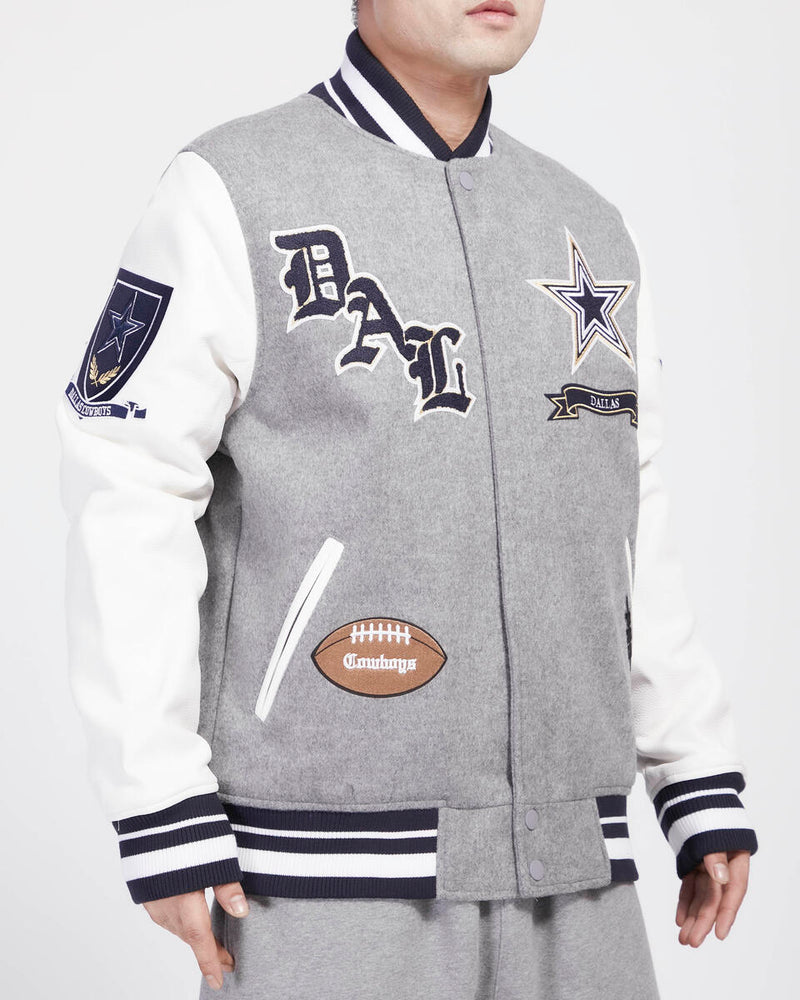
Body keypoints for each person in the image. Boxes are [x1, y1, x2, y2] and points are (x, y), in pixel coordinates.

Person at [55, 1, 758, 996]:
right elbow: (127, 484)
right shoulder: (234, 190)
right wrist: (157, 795)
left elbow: (628, 512)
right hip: (318, 875)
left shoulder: (588, 229)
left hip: (577, 862)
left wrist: (691, 770)